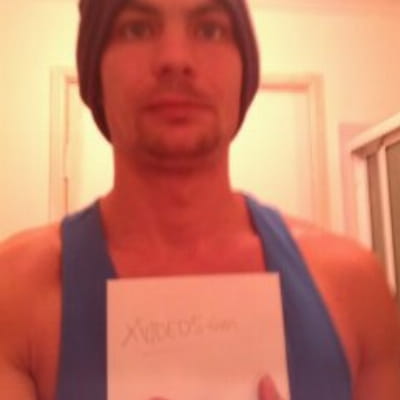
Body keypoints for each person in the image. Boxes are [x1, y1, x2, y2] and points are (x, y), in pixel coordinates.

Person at [1, 0, 399, 399]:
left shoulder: (353, 285)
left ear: (244, 72)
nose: (175, 59)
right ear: (95, 72)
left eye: (210, 29)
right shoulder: (14, 292)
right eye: (137, 28)